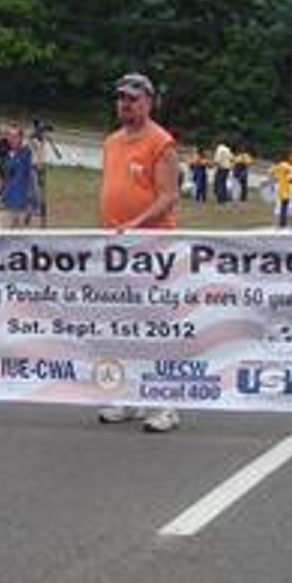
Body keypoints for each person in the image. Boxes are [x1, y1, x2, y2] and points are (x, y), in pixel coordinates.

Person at [97, 72, 180, 434]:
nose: (125, 104)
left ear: (148, 101)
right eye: (121, 98)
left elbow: (168, 195)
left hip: (151, 244)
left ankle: (166, 401)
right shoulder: (111, 142)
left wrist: (136, 222)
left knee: (156, 323)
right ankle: (129, 393)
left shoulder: (161, 142)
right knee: (124, 322)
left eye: (133, 98)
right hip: (117, 247)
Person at [0, 124, 38, 230]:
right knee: (1, 239)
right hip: (6, 204)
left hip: (24, 206)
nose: (12, 139)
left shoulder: (27, 153)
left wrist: (30, 203)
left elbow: (33, 177)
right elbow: (3, 176)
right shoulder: (4, 154)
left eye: (15, 136)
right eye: (9, 136)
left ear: (21, 138)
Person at [272, 157, 292, 226]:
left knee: (282, 205)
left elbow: (271, 172)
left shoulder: (279, 166)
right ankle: (283, 221)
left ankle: (282, 221)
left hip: (281, 188)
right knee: (285, 205)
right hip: (285, 189)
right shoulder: (289, 167)